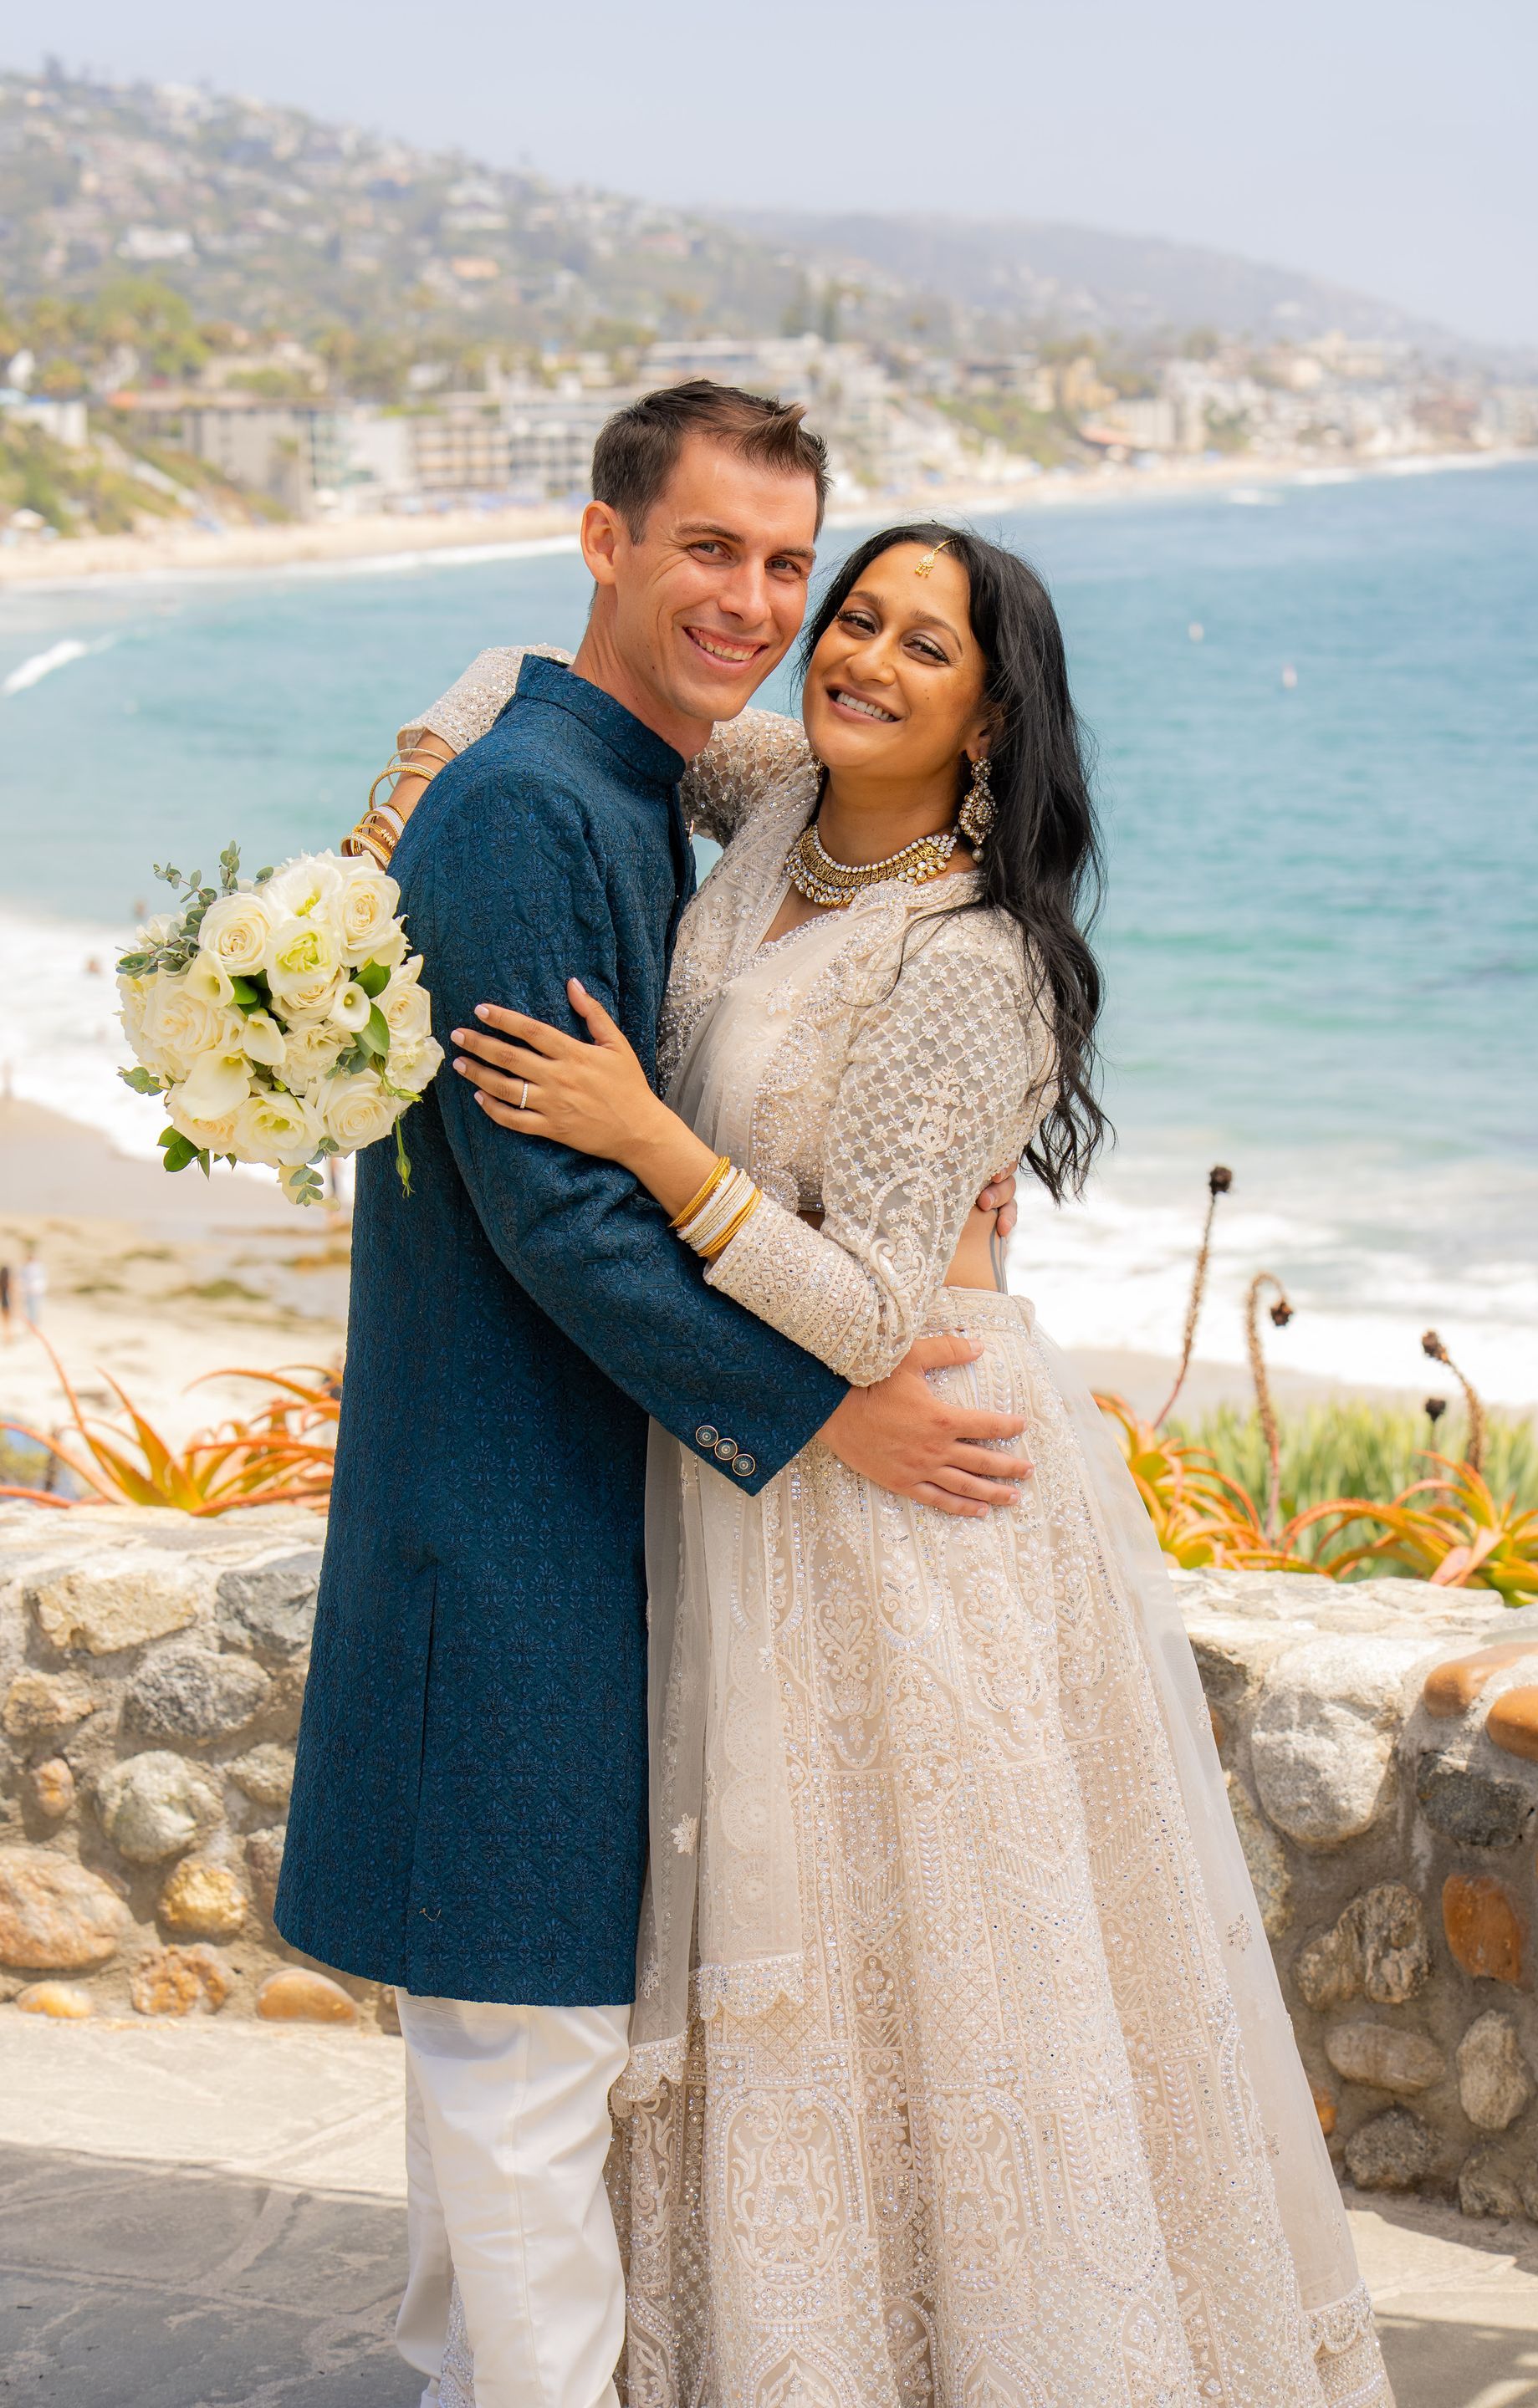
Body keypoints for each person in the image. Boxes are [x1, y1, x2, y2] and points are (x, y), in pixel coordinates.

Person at [422, 524, 1392, 2406]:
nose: (852, 655)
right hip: (748, 1471)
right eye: (850, 615)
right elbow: (549, 699)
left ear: (994, 711)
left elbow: (873, 1307)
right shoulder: (781, 795)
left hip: (912, 1493)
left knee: (942, 1964)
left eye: (916, 645)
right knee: (795, 1963)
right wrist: (393, 824)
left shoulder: (977, 966)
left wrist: (642, 1135)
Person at [276, 384, 1032, 2408]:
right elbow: (564, 1225)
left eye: (791, 566)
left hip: (544, 1504)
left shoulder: (652, 779)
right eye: (714, 550)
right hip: (515, 1516)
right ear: (603, 536)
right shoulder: (546, 806)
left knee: (504, 2060)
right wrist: (826, 1415)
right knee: (528, 2058)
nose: (762, 605)